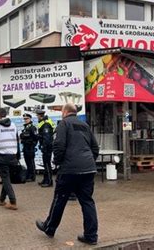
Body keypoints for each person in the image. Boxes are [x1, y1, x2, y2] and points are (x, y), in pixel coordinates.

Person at [36, 103, 99, 245]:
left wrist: (58, 163)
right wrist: (88, 162)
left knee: (60, 199)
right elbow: (95, 148)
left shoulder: (63, 124)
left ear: (65, 112)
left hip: (69, 170)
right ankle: (91, 236)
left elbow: (58, 145)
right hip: (88, 169)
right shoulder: (85, 126)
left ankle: (49, 228)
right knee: (87, 202)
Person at [0, 108, 21, 210]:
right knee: (6, 178)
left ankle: (13, 201)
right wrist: (18, 155)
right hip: (13, 155)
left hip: (2, 156)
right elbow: (17, 141)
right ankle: (2, 200)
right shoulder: (13, 125)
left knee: (6, 179)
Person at [36, 109, 55, 187]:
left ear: (40, 116)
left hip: (47, 147)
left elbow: (46, 137)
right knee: (45, 163)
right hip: (46, 146)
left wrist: (44, 146)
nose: (37, 117)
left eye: (37, 115)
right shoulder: (43, 122)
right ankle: (45, 179)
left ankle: (49, 181)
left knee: (47, 164)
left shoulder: (46, 124)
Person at [20, 113, 38, 182]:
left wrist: (33, 145)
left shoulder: (32, 127)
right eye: (24, 119)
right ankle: (28, 175)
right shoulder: (25, 128)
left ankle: (32, 176)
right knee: (27, 162)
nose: (25, 120)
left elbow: (36, 137)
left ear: (30, 119)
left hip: (30, 147)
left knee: (31, 162)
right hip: (25, 147)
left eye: (27, 119)